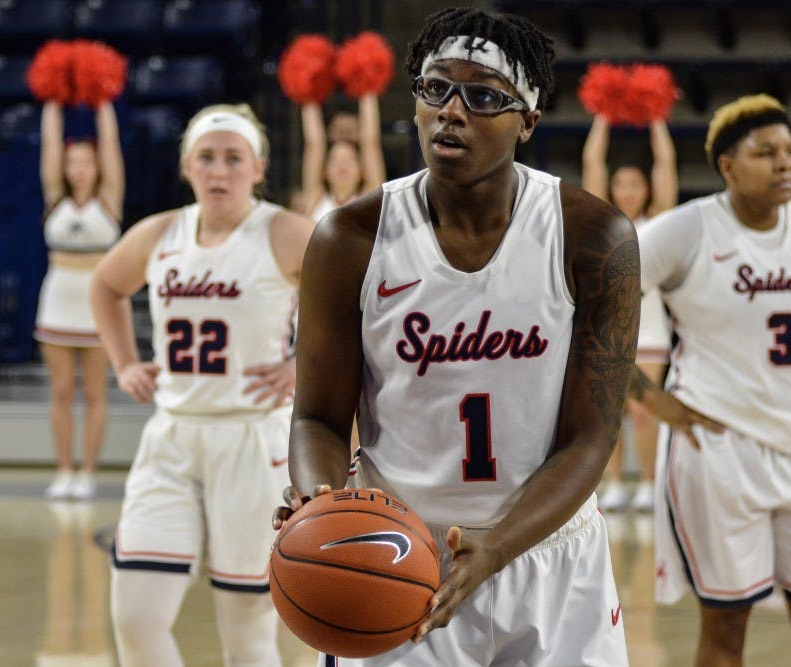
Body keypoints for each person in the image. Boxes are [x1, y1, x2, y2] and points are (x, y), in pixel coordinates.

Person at [274, 7, 636, 665]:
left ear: (527, 120)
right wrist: (320, 503)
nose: (451, 110)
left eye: (482, 96)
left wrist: (496, 545)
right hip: (398, 557)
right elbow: (317, 419)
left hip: (547, 551)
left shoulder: (592, 236)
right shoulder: (349, 238)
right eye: (435, 88)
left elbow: (592, 435)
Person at [631, 94, 791, 666]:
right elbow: (590, 307)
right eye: (766, 152)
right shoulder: (686, 229)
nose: (786, 163)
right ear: (727, 165)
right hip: (718, 449)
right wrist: (651, 399)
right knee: (726, 632)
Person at [90, 103, 314, 666]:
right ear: (186, 167)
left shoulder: (284, 232)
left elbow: (360, 305)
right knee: (135, 617)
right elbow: (104, 286)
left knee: (247, 633)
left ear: (258, 168)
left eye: (233, 159)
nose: (219, 171)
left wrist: (301, 365)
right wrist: (126, 363)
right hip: (171, 437)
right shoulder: (160, 233)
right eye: (206, 158)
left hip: (252, 440)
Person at [582, 113, 677, 512]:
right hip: (608, 325)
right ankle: (616, 482)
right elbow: (591, 165)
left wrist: (655, 117)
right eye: (621, 184)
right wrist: (603, 115)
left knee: (643, 410)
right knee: (610, 412)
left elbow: (667, 167)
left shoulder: (657, 222)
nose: (627, 191)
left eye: (635, 184)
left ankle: (652, 484)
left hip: (650, 323)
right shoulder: (602, 218)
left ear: (646, 189)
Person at [35, 100, 124, 501]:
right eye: (73, 162)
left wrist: (102, 99)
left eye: (86, 162)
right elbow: (49, 146)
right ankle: (63, 469)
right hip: (57, 297)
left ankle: (88, 472)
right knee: (60, 392)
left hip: (96, 301)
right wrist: (53, 100)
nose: (79, 169)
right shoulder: (54, 196)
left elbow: (111, 144)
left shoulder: (109, 198)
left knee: (94, 393)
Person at [296, 94, 386, 222]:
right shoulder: (315, 200)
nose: (342, 165)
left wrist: (367, 87)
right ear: (324, 172)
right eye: (334, 160)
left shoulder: (370, 201)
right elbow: (313, 145)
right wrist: (307, 89)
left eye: (350, 160)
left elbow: (371, 144)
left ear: (362, 171)